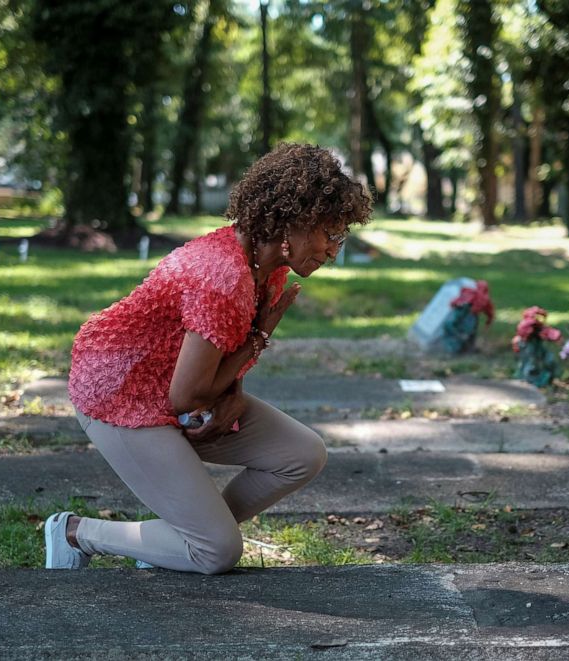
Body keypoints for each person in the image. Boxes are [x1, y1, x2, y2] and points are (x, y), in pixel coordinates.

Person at [44, 143, 372, 574]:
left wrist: (234, 392)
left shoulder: (266, 267)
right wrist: (259, 337)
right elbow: (188, 395)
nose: (333, 250)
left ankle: (173, 539)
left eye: (340, 237)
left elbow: (217, 354)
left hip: (171, 387)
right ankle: (74, 532)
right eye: (330, 234)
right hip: (119, 398)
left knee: (302, 453)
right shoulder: (222, 274)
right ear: (293, 222)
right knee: (216, 552)